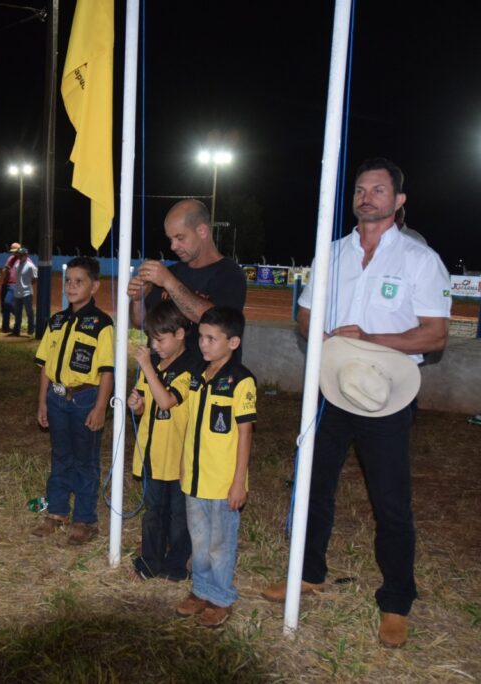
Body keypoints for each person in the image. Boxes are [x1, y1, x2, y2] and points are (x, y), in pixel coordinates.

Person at [260, 158, 451, 649]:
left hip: (386, 396)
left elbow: (434, 335)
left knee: (390, 501)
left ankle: (395, 601)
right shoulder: (333, 253)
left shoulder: (419, 260)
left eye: (380, 190)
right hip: (331, 388)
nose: (368, 196)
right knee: (313, 487)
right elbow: (304, 316)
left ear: (398, 201)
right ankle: (308, 574)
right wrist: (326, 339)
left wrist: (369, 339)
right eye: (362, 189)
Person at [173, 306, 256, 629]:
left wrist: (239, 483)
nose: (203, 344)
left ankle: (221, 597)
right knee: (199, 541)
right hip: (195, 479)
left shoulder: (241, 381)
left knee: (221, 544)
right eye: (201, 337)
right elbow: (192, 424)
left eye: (212, 338)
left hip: (222, 483)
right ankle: (200, 589)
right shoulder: (197, 376)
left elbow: (245, 433)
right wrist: (184, 466)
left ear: (233, 343)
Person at [33, 256, 114, 545]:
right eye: (68, 281)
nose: (71, 286)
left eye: (79, 281)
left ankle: (84, 519)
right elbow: (45, 364)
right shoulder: (56, 321)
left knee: (85, 461)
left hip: (85, 400)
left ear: (95, 286)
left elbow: (107, 371)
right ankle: (56, 512)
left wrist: (100, 407)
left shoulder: (102, 325)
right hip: (56, 399)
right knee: (60, 457)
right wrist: (42, 402)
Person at [127, 300, 194, 581]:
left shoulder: (191, 367)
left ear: (179, 334)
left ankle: (176, 565)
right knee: (153, 511)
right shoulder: (152, 364)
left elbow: (166, 401)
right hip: (153, 454)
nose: (155, 347)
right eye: (152, 340)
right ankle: (151, 560)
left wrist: (146, 366)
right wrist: (137, 405)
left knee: (179, 516)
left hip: (177, 457)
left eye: (160, 340)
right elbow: (147, 404)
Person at [127, 199, 246, 351]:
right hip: (162, 372)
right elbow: (141, 323)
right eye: (170, 239)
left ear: (202, 231)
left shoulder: (230, 274)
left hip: (205, 373)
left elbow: (215, 323)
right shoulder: (171, 272)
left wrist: (169, 282)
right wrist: (138, 299)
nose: (173, 246)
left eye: (180, 238)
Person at [8, 247, 37, 337]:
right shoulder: (17, 266)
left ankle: (31, 330)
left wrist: (27, 285)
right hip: (18, 292)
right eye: (19, 255)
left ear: (25, 255)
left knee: (29, 312)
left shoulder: (30, 266)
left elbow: (35, 278)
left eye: (21, 255)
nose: (19, 256)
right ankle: (16, 330)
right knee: (18, 313)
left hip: (27, 293)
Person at [0, 242, 20, 333]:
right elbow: (4, 271)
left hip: (14, 284)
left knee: (8, 303)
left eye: (15, 251)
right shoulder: (10, 258)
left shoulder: (23, 260)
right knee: (4, 306)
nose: (13, 253)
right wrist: (6, 270)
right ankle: (5, 326)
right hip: (6, 283)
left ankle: (18, 315)